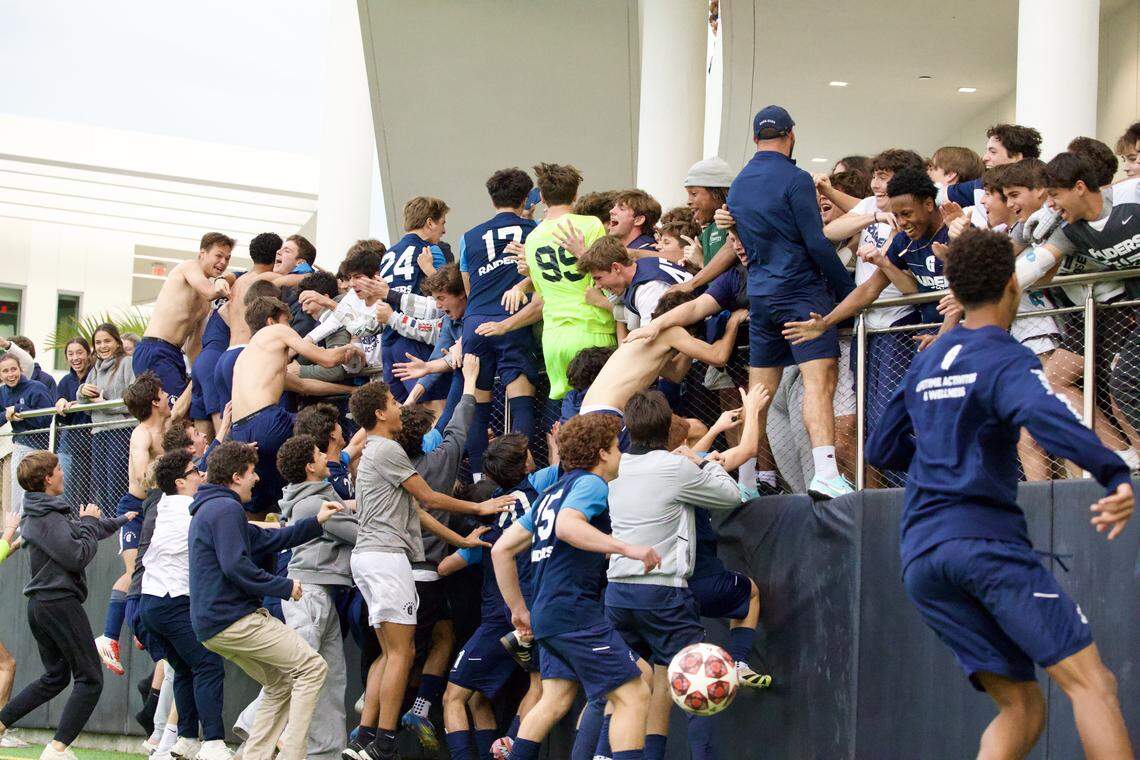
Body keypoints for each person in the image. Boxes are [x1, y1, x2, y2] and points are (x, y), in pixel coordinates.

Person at [866, 229, 1134, 759]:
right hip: (984, 545)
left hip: (921, 558)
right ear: (1013, 284)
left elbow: (880, 445)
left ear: (954, 291)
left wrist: (940, 460)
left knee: (1022, 707)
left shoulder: (928, 359)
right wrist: (1113, 471)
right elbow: (1043, 415)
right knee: (1093, 684)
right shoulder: (1005, 357)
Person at [345, 381, 511, 760]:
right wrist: (480, 509)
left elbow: (417, 513)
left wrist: (462, 540)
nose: (399, 406)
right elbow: (430, 498)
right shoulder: (387, 448)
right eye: (392, 401)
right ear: (379, 414)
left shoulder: (373, 451)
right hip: (387, 559)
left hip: (369, 558)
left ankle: (364, 740)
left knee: (388, 654)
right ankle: (385, 744)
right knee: (403, 653)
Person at [699, 106, 857, 499]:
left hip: (761, 297)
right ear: (791, 135)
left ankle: (748, 481)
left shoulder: (738, 186)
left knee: (759, 395)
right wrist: (846, 291)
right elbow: (816, 242)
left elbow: (743, 247)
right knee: (817, 384)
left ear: (755, 139)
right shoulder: (796, 178)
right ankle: (824, 474)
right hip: (801, 292)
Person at [489, 414, 660, 760]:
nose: (621, 455)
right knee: (636, 693)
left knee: (555, 698)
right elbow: (568, 527)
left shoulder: (551, 491)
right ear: (602, 453)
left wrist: (520, 610)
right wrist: (627, 548)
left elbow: (501, 549)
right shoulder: (592, 484)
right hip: (573, 613)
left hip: (548, 616)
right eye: (616, 448)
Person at [603, 389, 754, 760]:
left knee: (630, 689)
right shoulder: (675, 467)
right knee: (698, 679)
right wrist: (705, 462)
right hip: (662, 593)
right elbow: (731, 496)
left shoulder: (615, 469)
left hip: (617, 593)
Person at [188, 441, 341, 760]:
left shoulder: (214, 508)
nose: (257, 478)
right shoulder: (225, 508)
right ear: (235, 476)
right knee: (311, 667)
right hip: (234, 619)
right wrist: (283, 586)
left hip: (213, 626)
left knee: (280, 683)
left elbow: (269, 538)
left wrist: (316, 522)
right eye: (251, 472)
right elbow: (235, 566)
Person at [0, 451, 134, 760]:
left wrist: (121, 521)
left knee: (56, 677)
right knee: (90, 679)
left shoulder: (46, 512)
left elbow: (81, 533)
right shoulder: (45, 517)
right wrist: (88, 522)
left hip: (44, 605)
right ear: (48, 479)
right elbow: (77, 554)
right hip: (57, 603)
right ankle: (57, 750)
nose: (63, 472)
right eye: (58, 468)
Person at [438, 433, 558, 760]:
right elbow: (560, 472)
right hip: (525, 612)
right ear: (525, 464)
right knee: (538, 685)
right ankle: (512, 744)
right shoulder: (538, 488)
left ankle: (508, 746)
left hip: (500, 617)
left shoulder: (495, 513)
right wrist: (556, 449)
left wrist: (464, 542)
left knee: (457, 697)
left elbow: (444, 568)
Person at [476, 163, 616, 406]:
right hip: (592, 331)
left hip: (554, 339)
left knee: (570, 411)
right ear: (575, 195)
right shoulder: (591, 224)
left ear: (541, 197)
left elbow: (540, 300)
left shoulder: (533, 238)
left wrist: (506, 323)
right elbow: (608, 273)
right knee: (604, 409)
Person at [139, 448, 231, 760]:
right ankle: (214, 742)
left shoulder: (166, 502)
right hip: (170, 601)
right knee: (207, 663)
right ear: (180, 482)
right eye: (195, 471)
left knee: (184, 668)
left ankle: (188, 739)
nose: (201, 475)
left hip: (151, 604)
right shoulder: (189, 509)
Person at [229, 296, 362, 513]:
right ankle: (341, 499)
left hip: (242, 434)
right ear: (272, 321)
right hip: (268, 421)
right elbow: (327, 360)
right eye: (287, 322)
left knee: (269, 502)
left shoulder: (251, 357)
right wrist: (352, 348)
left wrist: (351, 391)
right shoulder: (275, 332)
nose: (291, 329)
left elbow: (303, 385)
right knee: (328, 428)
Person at [274, 435, 360, 758]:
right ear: (310, 466)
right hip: (307, 594)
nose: (326, 456)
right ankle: (260, 728)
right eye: (319, 453)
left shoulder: (319, 495)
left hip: (321, 594)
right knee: (299, 674)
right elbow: (355, 532)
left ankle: (326, 753)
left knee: (331, 679)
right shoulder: (312, 503)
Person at [94, 371, 180, 677]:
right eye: (163, 392)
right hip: (135, 510)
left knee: (153, 573)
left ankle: (138, 626)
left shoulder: (168, 426)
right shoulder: (142, 434)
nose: (169, 395)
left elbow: (182, 404)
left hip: (159, 509)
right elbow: (145, 477)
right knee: (132, 573)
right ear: (155, 401)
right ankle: (108, 636)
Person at [459, 168, 541, 476]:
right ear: (524, 198)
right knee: (520, 398)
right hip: (514, 318)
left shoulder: (469, 236)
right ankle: (519, 473)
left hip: (477, 320)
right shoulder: (534, 230)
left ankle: (481, 477)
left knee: (478, 403)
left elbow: (467, 285)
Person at [135, 231, 235, 398]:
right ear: (202, 253)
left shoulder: (205, 302)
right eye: (219, 255)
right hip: (154, 348)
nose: (223, 262)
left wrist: (200, 375)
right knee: (171, 412)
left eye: (227, 258)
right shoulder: (189, 267)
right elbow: (211, 291)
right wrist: (229, 278)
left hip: (174, 354)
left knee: (184, 409)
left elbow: (194, 346)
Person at [577, 236, 692, 332]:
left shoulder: (649, 288)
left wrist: (601, 302)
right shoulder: (641, 266)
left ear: (616, 267)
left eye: (598, 278)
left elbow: (650, 339)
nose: (598, 285)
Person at [82, 322, 137, 515]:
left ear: (117, 342)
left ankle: (122, 527)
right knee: (102, 489)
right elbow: (85, 406)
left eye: (107, 341)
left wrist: (104, 403)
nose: (102, 346)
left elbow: (134, 401)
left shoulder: (127, 363)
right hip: (98, 432)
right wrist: (82, 391)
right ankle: (109, 528)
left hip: (121, 431)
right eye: (98, 342)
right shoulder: (95, 368)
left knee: (117, 485)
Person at [0, 353, 55, 514]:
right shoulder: (2, 392)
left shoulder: (36, 387)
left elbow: (45, 419)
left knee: (32, 493)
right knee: (17, 492)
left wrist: (20, 410)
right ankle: (17, 529)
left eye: (13, 369)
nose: (10, 374)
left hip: (39, 449)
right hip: (19, 445)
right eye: (5, 371)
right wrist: (6, 415)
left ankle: (29, 528)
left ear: (21, 369)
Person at [54, 338, 95, 510]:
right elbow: (61, 418)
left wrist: (78, 403)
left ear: (88, 354)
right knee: (71, 487)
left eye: (79, 352)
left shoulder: (95, 374)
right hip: (73, 441)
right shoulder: (65, 381)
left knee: (93, 487)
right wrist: (61, 403)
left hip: (95, 439)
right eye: (70, 354)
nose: (75, 358)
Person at [683, 158, 734, 265]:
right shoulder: (708, 231)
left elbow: (730, 278)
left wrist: (701, 262)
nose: (688, 201)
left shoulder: (734, 223)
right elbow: (679, 254)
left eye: (694, 193)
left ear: (715, 193)